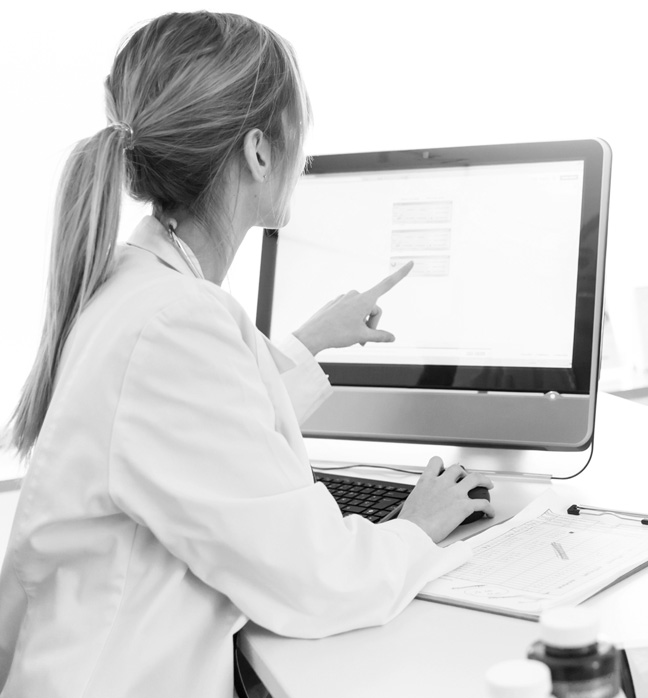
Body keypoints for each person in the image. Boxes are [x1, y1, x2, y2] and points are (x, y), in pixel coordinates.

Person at [0, 12, 493, 697]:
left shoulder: (137, 286)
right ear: (259, 151)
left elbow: (206, 441)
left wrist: (305, 342)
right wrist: (415, 527)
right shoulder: (173, 322)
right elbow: (315, 580)